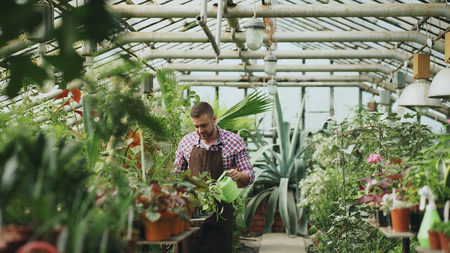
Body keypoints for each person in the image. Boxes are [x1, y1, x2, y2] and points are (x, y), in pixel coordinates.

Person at [174, 101, 255, 253]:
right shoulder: (187, 142)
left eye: (203, 125)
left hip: (219, 215)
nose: (200, 130)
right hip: (190, 214)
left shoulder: (233, 142)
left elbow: (249, 176)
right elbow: (176, 175)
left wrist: (239, 175)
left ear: (214, 119)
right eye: (196, 126)